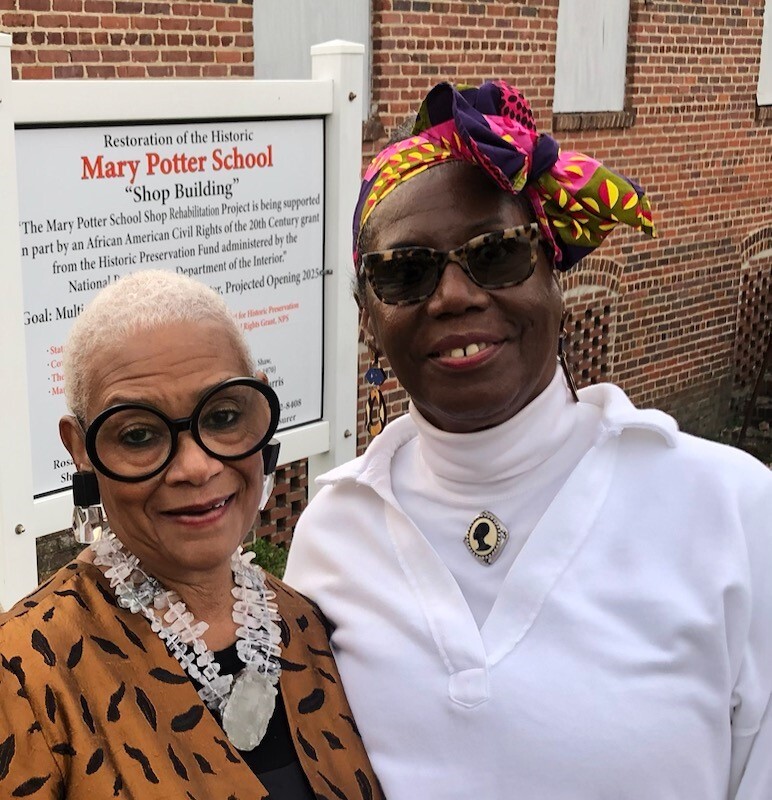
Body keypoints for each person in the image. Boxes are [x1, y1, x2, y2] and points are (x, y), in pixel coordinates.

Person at [284, 80, 772, 799]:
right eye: (406, 271)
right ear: (368, 317)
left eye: (497, 252)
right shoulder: (332, 532)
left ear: (553, 272)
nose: (454, 295)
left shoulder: (730, 508)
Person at [0, 271, 383, 799]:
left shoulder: (312, 626)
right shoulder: (24, 671)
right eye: (138, 434)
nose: (197, 466)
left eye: (223, 416)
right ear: (81, 448)